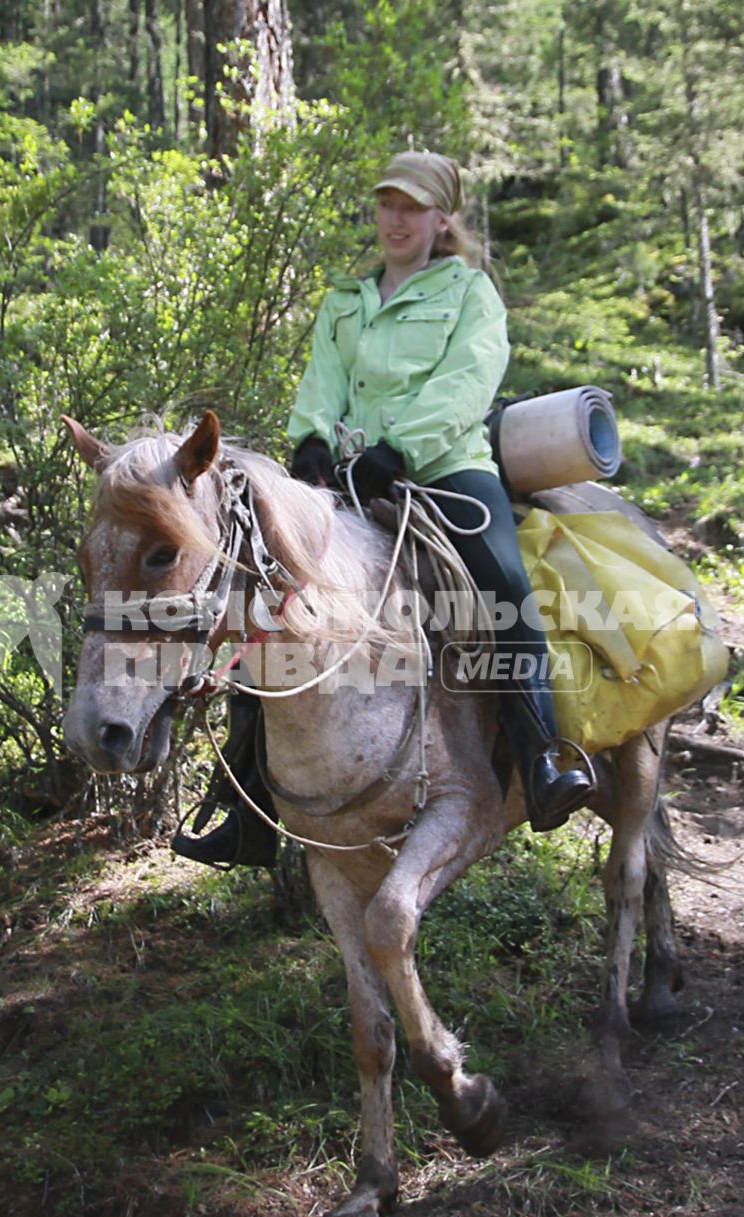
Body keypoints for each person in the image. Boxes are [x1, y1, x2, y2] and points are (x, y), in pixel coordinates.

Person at [172, 151, 595, 869]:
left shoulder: (469, 294)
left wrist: (397, 450)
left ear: (441, 218)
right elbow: (322, 380)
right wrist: (308, 444)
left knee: (506, 589)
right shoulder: (345, 299)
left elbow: (468, 381)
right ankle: (245, 805)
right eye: (387, 204)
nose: (396, 219)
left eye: (413, 206)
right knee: (264, 596)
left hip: (446, 469)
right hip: (345, 477)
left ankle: (542, 760)